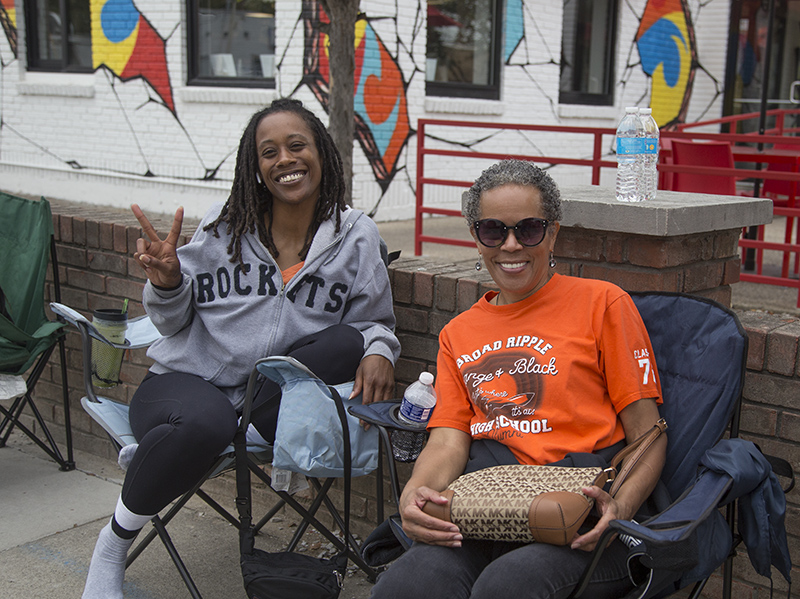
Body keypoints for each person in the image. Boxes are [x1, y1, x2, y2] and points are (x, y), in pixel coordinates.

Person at [82, 98, 400, 599]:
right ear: (256, 168)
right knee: (205, 422)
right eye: (268, 152)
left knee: (347, 340)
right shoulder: (225, 225)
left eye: (297, 145)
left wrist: (379, 349)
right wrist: (167, 284)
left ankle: (172, 452)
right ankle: (113, 542)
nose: (285, 160)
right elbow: (172, 321)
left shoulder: (355, 235)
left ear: (322, 153)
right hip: (184, 385)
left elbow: (374, 320)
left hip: (267, 397)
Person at [371, 159, 666, 599]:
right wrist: (414, 493)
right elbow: (449, 440)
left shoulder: (603, 304)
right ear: (476, 237)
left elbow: (650, 435)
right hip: (487, 510)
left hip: (580, 513)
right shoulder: (458, 333)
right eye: (493, 230)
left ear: (552, 234)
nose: (511, 245)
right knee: (405, 586)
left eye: (528, 229)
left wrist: (619, 509)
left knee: (505, 588)